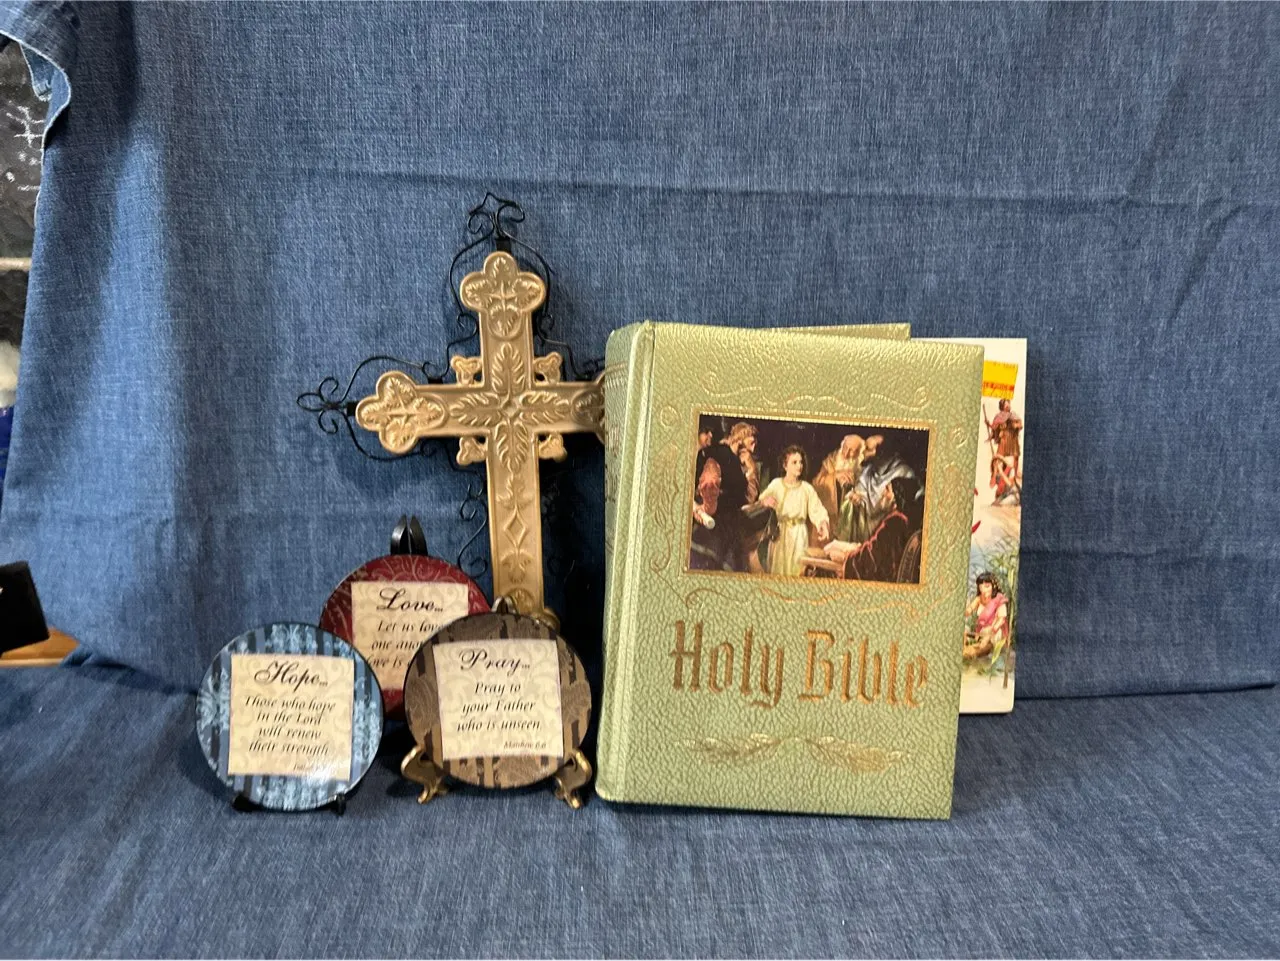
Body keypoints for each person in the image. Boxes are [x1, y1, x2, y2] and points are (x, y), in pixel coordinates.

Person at [689, 422, 770, 571]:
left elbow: (749, 498)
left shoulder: (740, 462)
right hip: (708, 523)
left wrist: (751, 469)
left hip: (726, 523)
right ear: (741, 438)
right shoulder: (717, 453)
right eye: (751, 442)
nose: (753, 449)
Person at [823, 476, 921, 582]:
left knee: (829, 554)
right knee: (834, 546)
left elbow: (870, 558)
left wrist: (846, 558)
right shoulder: (901, 518)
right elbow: (875, 547)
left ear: (895, 496)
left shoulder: (895, 522)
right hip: (869, 558)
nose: (883, 493)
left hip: (878, 575)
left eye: (887, 489)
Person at [758, 446, 830, 576]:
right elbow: (762, 499)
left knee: (797, 571)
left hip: (799, 535)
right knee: (779, 571)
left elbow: (817, 509)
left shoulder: (806, 489)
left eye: (801, 462)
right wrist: (765, 501)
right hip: (780, 535)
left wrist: (822, 523)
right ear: (785, 466)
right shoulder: (776, 484)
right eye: (794, 462)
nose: (799, 466)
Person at [812, 434, 864, 541]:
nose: (846, 453)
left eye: (852, 450)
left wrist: (858, 498)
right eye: (845, 447)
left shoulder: (860, 469)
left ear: (859, 453)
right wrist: (834, 477)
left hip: (850, 528)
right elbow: (816, 485)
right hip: (829, 523)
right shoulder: (830, 461)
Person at [963, 571, 1010, 666]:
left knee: (984, 648)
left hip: (995, 631)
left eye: (987, 586)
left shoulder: (999, 599)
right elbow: (969, 609)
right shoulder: (979, 598)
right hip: (982, 632)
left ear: (994, 586)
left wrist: (988, 636)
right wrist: (966, 612)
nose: (983, 590)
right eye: (981, 587)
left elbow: (1001, 620)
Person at [989, 399, 1022, 478]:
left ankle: (1015, 473)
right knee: (999, 457)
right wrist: (989, 425)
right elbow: (994, 427)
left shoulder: (1013, 414)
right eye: (1006, 405)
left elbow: (1020, 425)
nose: (1008, 406)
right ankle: (995, 474)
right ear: (1002, 407)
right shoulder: (999, 416)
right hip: (1004, 438)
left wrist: (1016, 425)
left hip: (1013, 438)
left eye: (1009, 404)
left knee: (1016, 456)